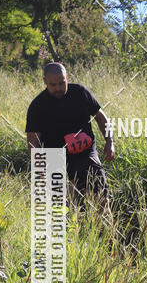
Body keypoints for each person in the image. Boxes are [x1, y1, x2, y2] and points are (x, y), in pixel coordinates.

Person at [25, 62, 115, 218]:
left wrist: (109, 142)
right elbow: (33, 142)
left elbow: (101, 118)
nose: (58, 88)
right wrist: (41, 171)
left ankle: (108, 239)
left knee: (102, 202)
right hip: (55, 157)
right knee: (65, 212)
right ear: (45, 81)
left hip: (85, 153)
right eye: (53, 85)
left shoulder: (80, 93)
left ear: (67, 77)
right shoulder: (37, 106)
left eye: (62, 83)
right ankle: (75, 237)